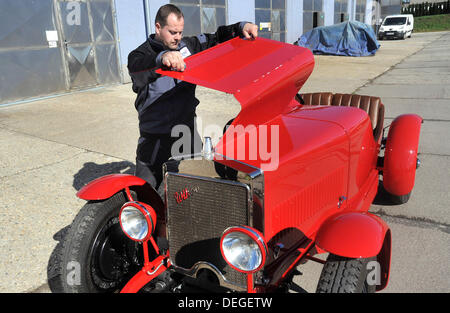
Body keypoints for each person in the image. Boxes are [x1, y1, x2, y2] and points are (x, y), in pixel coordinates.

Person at [127, 4, 258, 190]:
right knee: (144, 193)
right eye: (172, 32)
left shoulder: (188, 46)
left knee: (192, 190)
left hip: (185, 134)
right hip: (154, 139)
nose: (177, 37)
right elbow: (138, 68)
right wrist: (162, 58)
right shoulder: (141, 55)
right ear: (158, 27)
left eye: (180, 32)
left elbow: (217, 37)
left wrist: (240, 27)